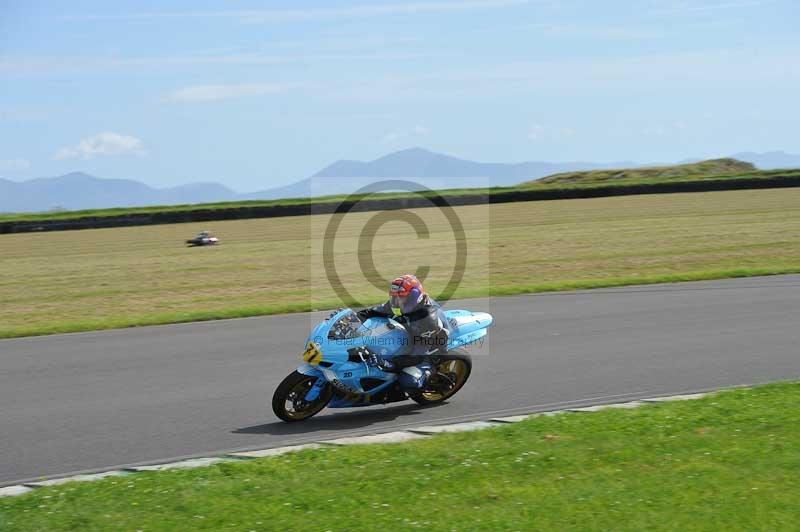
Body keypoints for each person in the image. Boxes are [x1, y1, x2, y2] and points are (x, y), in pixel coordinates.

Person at [356, 275, 449, 390]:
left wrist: (389, 364)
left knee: (409, 380)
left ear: (414, 297)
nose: (397, 301)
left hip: (429, 351)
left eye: (401, 297)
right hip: (410, 336)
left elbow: (417, 354)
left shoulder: (427, 319)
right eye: (395, 297)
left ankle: (430, 374)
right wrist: (353, 318)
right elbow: (374, 312)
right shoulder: (399, 304)